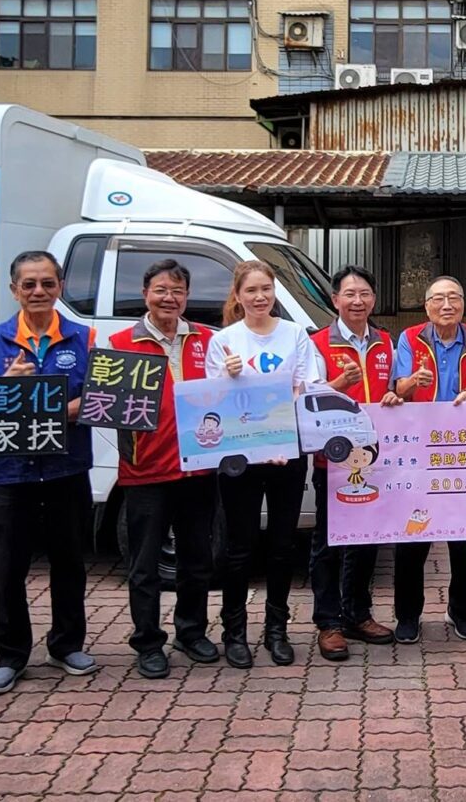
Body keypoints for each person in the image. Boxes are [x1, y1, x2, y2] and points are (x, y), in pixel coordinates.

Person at [0, 251, 97, 696]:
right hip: (10, 472)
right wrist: (3, 384)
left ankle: (66, 645)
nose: (38, 292)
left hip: (67, 468)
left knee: (70, 562)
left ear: (60, 286)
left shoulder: (84, 337)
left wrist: (52, 406)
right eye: (29, 284)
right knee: (7, 567)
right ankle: (10, 655)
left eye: (47, 283)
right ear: (14, 290)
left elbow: (99, 399)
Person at [206, 260, 321, 669]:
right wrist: (226, 375)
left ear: (274, 293)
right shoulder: (223, 341)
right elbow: (212, 402)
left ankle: (277, 630)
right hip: (240, 459)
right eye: (251, 290)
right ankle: (234, 633)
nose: (260, 297)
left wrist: (280, 425)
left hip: (286, 453)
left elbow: (308, 385)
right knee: (238, 547)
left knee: (282, 545)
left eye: (266, 289)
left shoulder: (294, 335)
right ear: (238, 296)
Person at [109, 259, 219, 679]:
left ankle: (191, 632)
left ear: (187, 297)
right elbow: (106, 407)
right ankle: (147, 641)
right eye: (160, 290)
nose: (168, 298)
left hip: (199, 470)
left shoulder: (209, 341)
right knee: (144, 564)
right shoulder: (120, 344)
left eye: (176, 291)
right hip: (146, 471)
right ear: (145, 293)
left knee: (197, 559)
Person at [387, 275, 466, 643]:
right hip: (417, 451)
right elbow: (397, 389)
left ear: (463, 303)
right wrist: (412, 381)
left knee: (462, 536)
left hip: (462, 450)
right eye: (439, 299)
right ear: (426, 305)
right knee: (412, 535)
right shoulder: (409, 338)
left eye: (454, 298)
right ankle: (407, 615)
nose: (447, 305)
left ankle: (462, 612)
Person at [307, 264, 398, 658]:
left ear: (373, 299)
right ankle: (328, 624)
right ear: (335, 300)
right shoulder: (317, 343)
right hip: (333, 462)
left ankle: (357, 615)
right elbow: (309, 399)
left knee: (366, 543)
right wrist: (336, 385)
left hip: (373, 462)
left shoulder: (385, 343)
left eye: (364, 293)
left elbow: (394, 390)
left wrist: (398, 394)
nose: (357, 301)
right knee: (328, 545)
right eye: (349, 294)